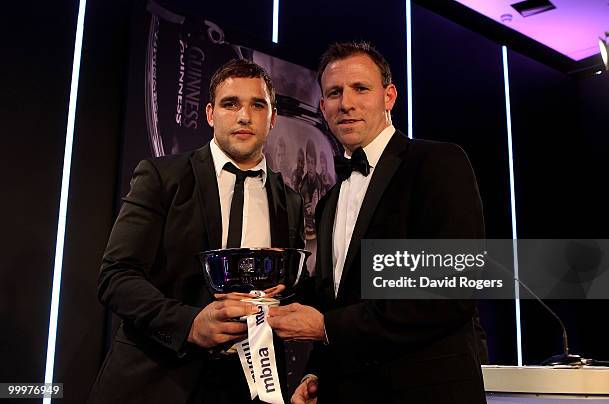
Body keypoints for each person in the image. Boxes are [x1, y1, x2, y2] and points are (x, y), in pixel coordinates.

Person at [268, 42, 486, 403]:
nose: (346, 103)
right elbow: (338, 301)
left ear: (389, 96)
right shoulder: (328, 203)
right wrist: (318, 370)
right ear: (323, 107)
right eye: (334, 93)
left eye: (360, 88)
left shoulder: (438, 163)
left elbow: (449, 292)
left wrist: (325, 327)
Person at [89, 59, 305, 404]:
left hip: (247, 389)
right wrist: (189, 324)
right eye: (230, 103)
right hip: (157, 379)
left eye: (258, 105)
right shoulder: (162, 176)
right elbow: (116, 277)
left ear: (273, 117)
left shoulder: (290, 201)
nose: (244, 116)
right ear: (209, 113)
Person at [300, 139, 325, 240]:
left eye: (312, 162)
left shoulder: (320, 185)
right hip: (304, 233)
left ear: (316, 163)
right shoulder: (303, 183)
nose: (310, 166)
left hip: (318, 233)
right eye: (308, 162)